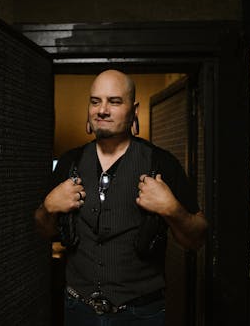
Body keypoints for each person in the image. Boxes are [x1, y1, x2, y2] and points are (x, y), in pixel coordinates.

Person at [34, 69, 207, 325]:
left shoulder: (161, 163)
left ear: (133, 110)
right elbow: (43, 231)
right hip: (77, 310)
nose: (102, 110)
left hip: (141, 314)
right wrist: (48, 208)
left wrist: (172, 209)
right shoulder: (69, 163)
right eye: (95, 101)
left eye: (114, 101)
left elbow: (197, 239)